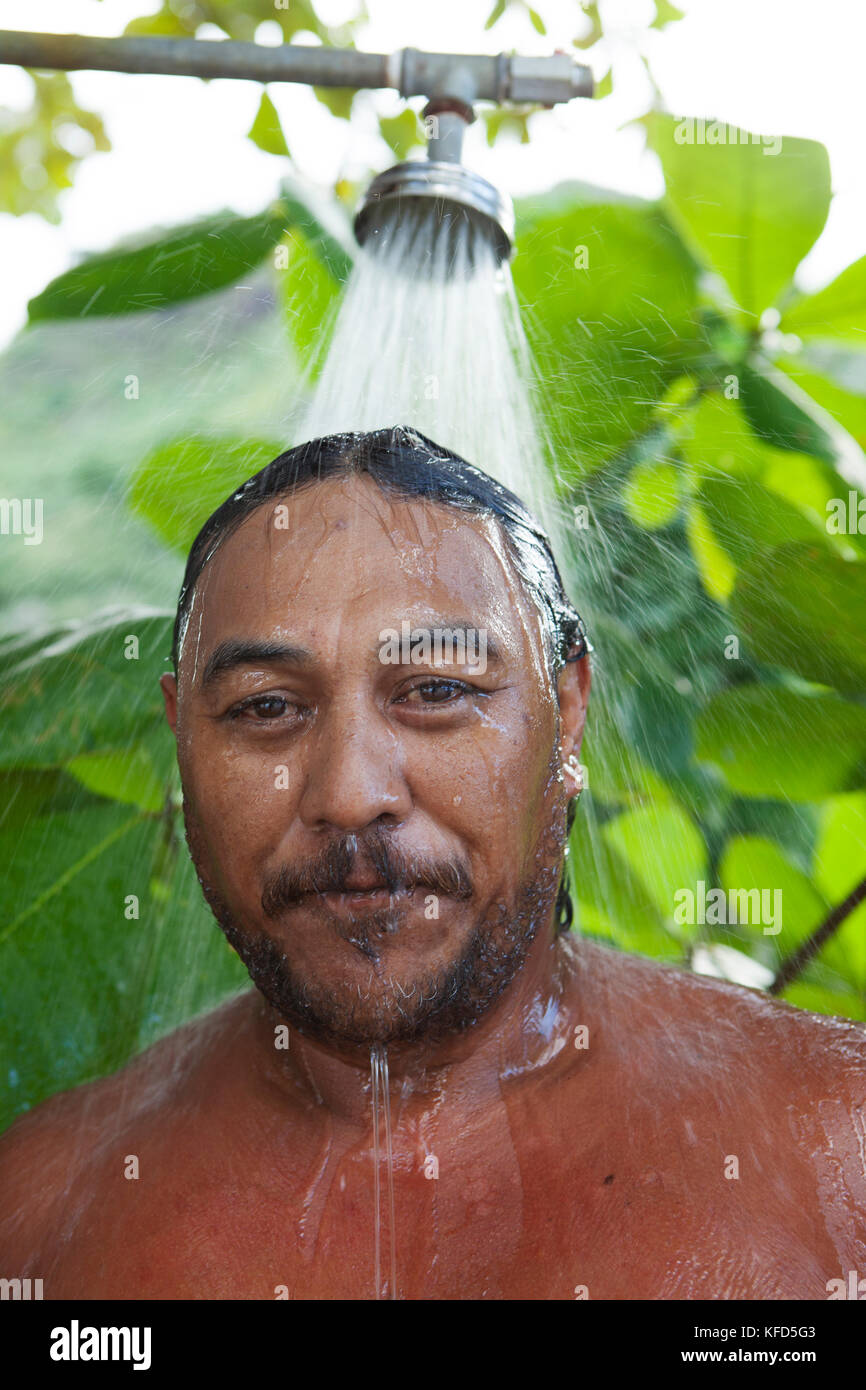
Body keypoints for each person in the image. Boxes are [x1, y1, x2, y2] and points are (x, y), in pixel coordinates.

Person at [1, 425, 864, 1301]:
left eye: (438, 692)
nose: (348, 792)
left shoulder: (839, 1147)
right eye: (266, 707)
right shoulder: (37, 1217)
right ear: (181, 733)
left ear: (566, 717)